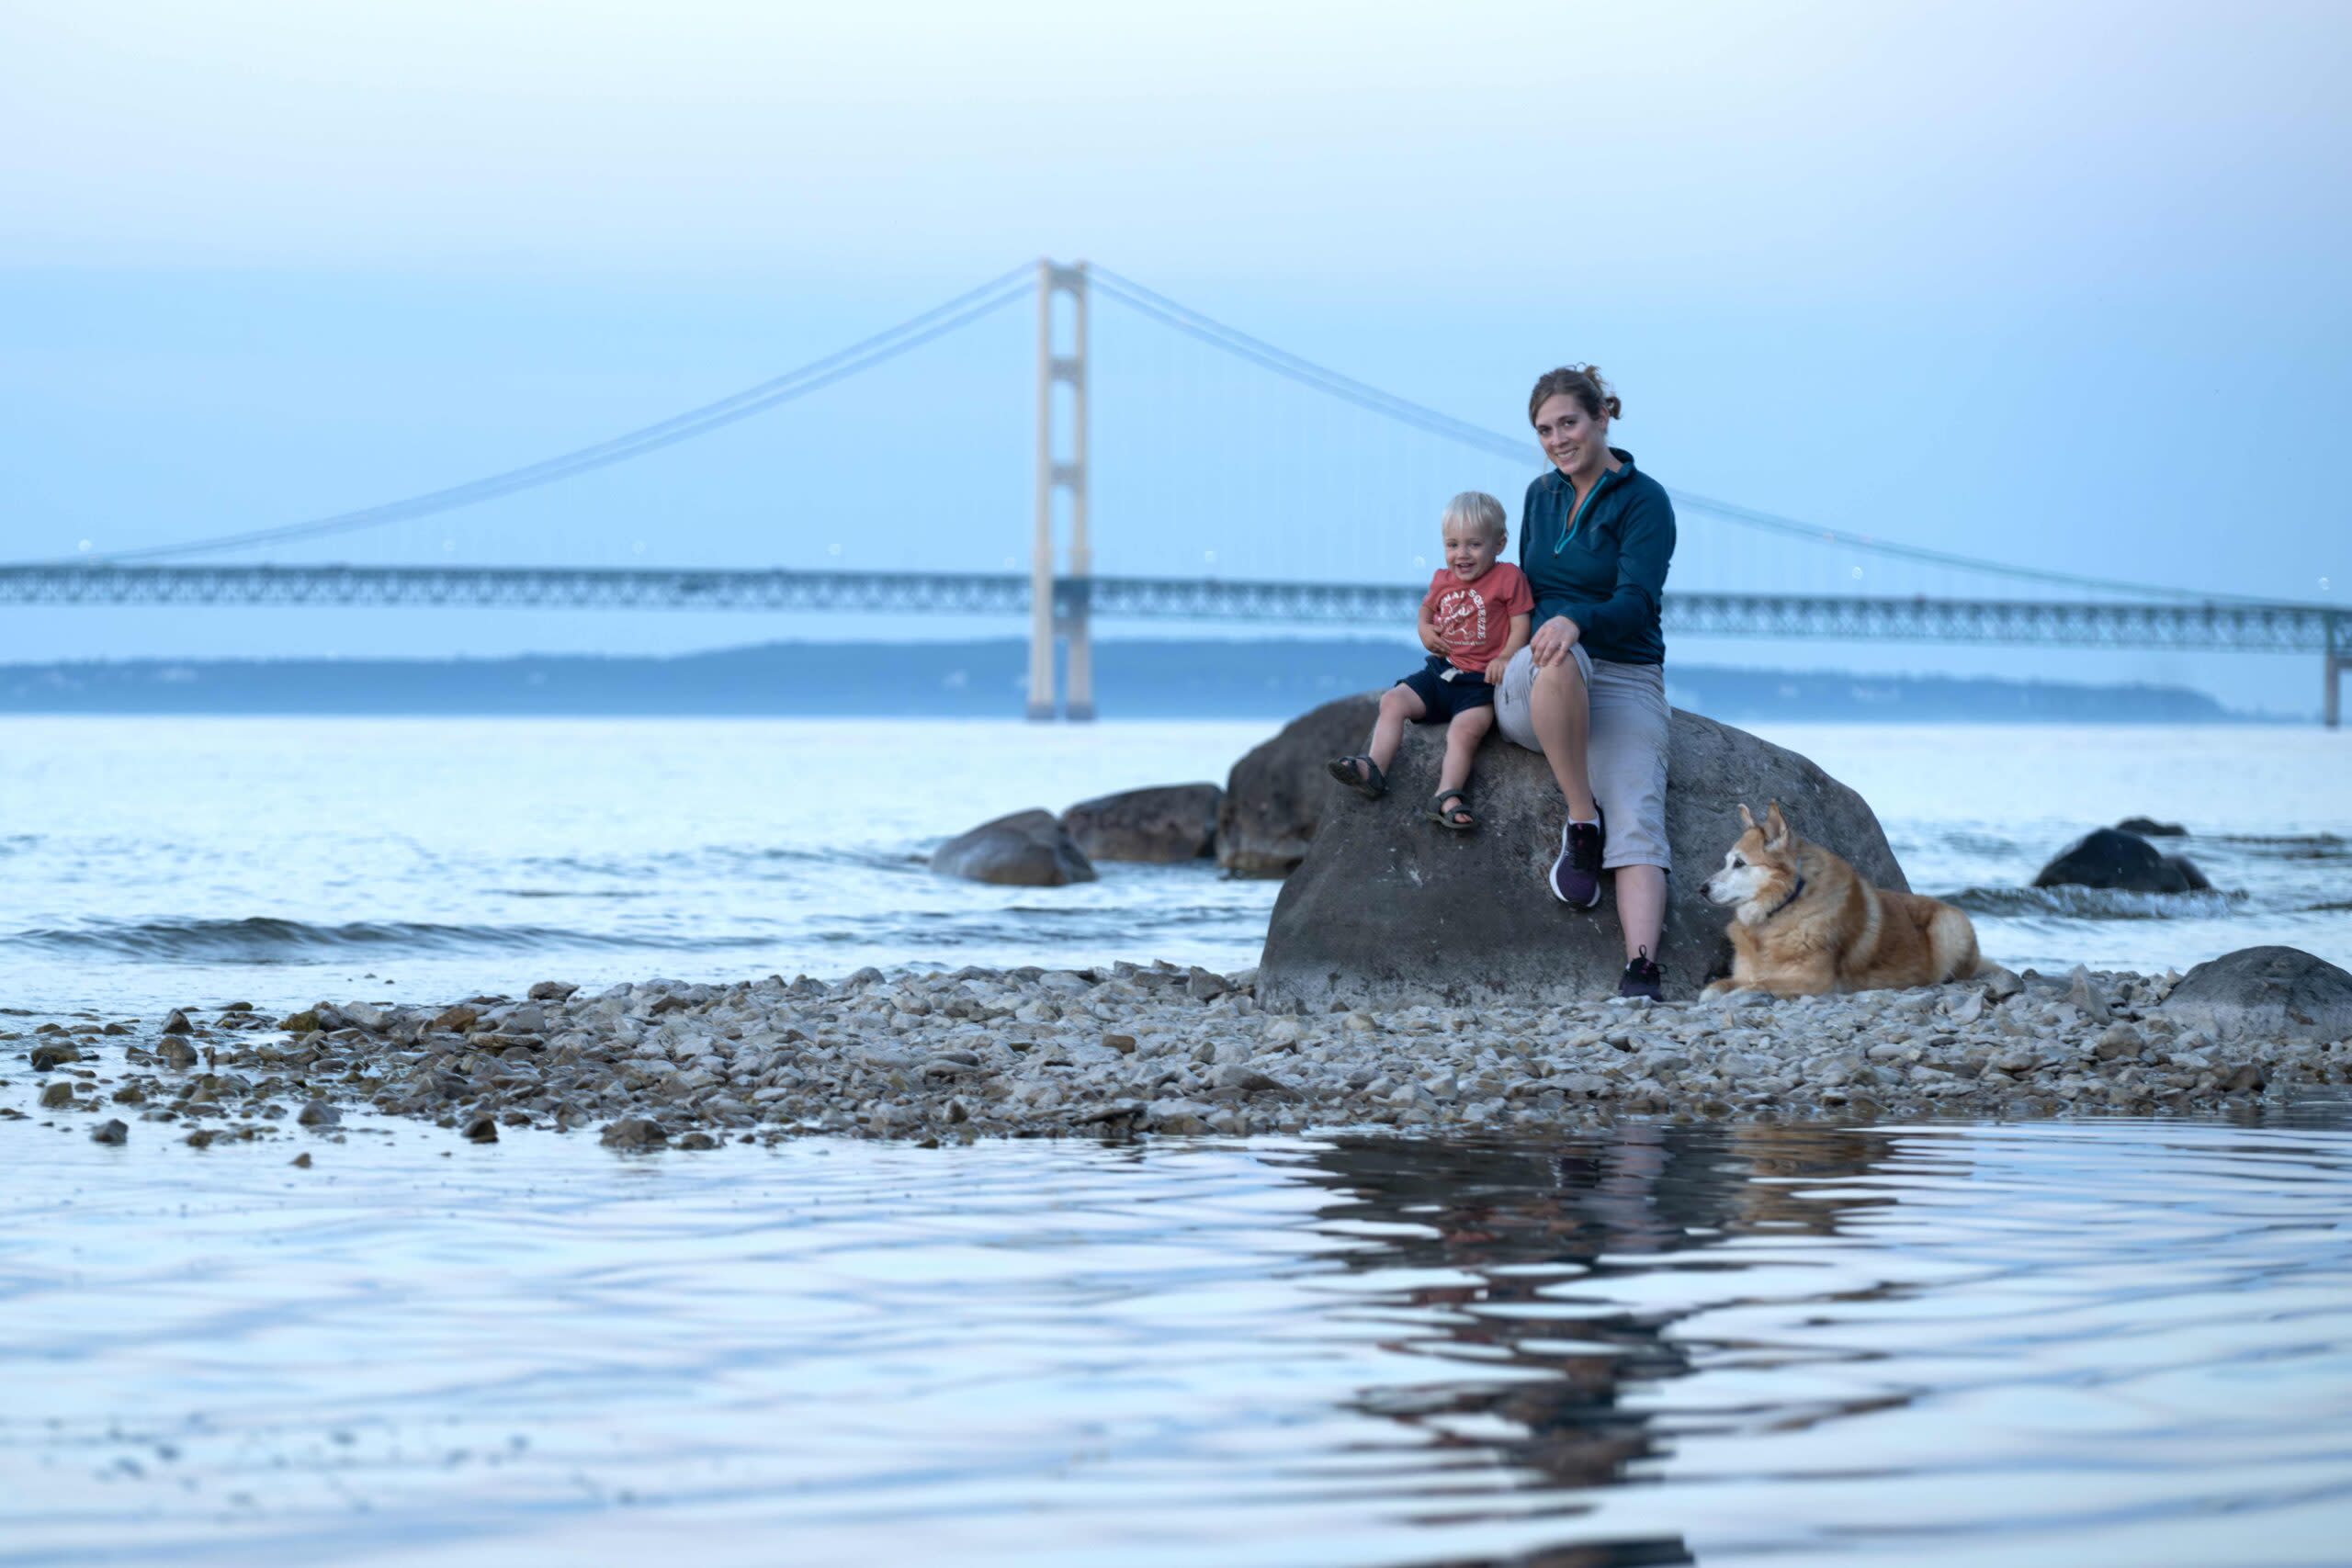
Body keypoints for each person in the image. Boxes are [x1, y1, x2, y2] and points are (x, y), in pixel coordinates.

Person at [1488, 367, 1677, 1000]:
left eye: (1568, 422)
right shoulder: (1540, 495)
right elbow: (1525, 591)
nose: (1557, 439)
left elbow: (1636, 601)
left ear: (1602, 418)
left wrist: (1579, 619)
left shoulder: (1645, 500)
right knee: (1558, 660)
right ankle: (1580, 820)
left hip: (1624, 670)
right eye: (1544, 429)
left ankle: (1642, 969)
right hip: (1539, 675)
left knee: (1639, 807)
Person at [1327, 491, 1532, 831]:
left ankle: (1447, 795)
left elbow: (1521, 621)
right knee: (1393, 701)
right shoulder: (1442, 579)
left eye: (1473, 545)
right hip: (1442, 672)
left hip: (1480, 683)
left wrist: (1508, 656)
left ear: (1500, 544)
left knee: (1464, 731)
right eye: (1452, 545)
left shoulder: (1508, 578)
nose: (1461, 555)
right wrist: (1424, 629)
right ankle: (1373, 769)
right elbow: (1426, 609)